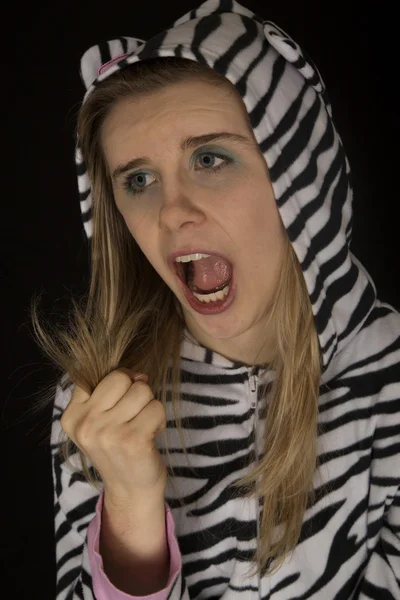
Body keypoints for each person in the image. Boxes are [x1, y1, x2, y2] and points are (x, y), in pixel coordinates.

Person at [32, 1, 400, 598]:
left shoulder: (388, 382)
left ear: (298, 176)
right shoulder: (97, 404)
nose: (173, 212)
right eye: (138, 180)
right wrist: (130, 507)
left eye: (210, 159)